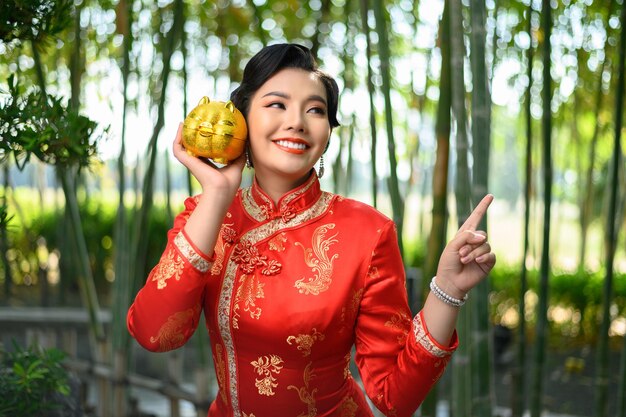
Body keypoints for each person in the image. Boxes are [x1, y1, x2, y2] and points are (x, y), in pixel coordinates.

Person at [127, 43, 496, 417]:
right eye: (277, 104)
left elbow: (394, 397)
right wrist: (219, 192)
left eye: (315, 110)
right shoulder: (205, 215)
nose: (297, 121)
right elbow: (154, 334)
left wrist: (447, 291)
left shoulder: (367, 232)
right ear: (241, 120)